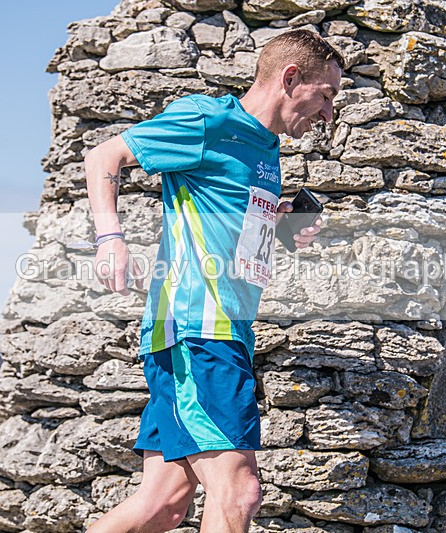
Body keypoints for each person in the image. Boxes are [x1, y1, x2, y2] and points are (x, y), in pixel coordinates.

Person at [84, 29, 344, 533]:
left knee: (163, 506)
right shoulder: (210, 121)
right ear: (291, 78)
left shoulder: (266, 149)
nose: (329, 114)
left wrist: (281, 222)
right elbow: (103, 156)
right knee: (240, 490)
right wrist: (110, 238)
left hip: (222, 331)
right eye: (327, 95)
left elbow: (229, 233)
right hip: (199, 328)